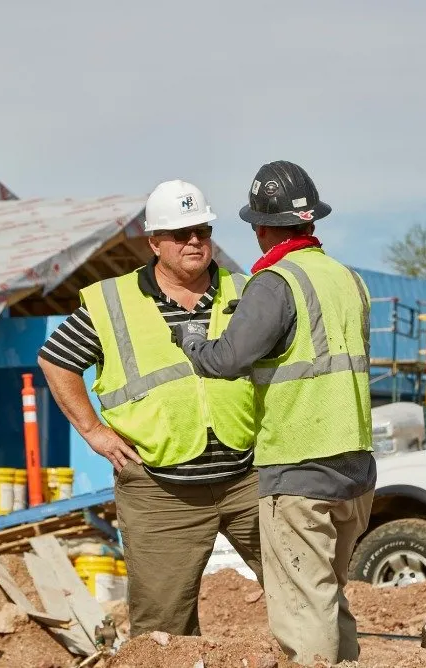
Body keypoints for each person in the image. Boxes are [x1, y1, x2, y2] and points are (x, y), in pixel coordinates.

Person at [37, 179, 262, 637]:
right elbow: (56, 360)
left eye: (202, 230)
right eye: (180, 233)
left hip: (249, 478)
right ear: (154, 242)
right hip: (160, 491)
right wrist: (93, 431)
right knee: (163, 628)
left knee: (299, 591)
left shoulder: (249, 292)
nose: (194, 240)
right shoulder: (112, 302)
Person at [178, 160, 376, 665]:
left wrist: (193, 340)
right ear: (310, 221)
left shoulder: (274, 282)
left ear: (261, 227)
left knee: (303, 607)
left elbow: (227, 360)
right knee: (326, 594)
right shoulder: (348, 279)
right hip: (355, 466)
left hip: (299, 465)